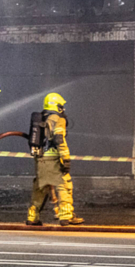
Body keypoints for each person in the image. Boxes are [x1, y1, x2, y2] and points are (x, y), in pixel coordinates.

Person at [27, 92, 82, 226]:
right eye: (61, 106)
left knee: (40, 188)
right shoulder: (58, 119)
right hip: (54, 157)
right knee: (64, 185)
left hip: (40, 158)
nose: (63, 109)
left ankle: (32, 217)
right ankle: (66, 216)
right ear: (57, 106)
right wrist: (66, 158)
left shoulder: (41, 119)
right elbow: (59, 139)